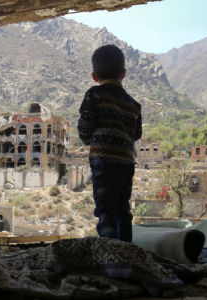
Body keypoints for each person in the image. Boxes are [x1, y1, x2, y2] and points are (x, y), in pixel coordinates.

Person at [77, 44, 142, 242]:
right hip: (126, 162)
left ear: (95, 77)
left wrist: (93, 139)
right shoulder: (134, 104)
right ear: (123, 73)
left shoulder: (94, 95)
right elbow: (136, 134)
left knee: (106, 212)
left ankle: (110, 256)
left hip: (103, 162)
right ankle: (127, 253)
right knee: (123, 209)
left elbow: (85, 130)